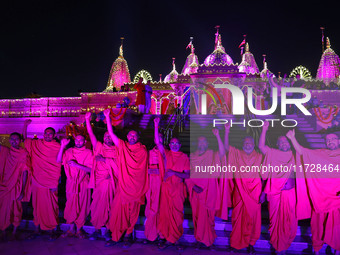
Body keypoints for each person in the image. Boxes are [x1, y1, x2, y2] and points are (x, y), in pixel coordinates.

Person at [286, 130, 340, 255]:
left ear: (339, 141)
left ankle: (336, 250)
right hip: (319, 196)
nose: (330, 141)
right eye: (327, 140)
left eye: (332, 139)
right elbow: (303, 152)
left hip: (337, 197)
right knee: (317, 226)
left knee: (336, 227)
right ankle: (317, 250)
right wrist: (292, 138)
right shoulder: (321, 153)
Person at [104, 109, 148, 248]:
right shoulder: (122, 146)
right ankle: (115, 234)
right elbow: (111, 134)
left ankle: (128, 235)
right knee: (117, 211)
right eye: (130, 135)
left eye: (135, 136)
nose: (132, 137)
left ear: (138, 138)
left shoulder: (142, 150)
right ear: (127, 137)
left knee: (132, 213)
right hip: (123, 186)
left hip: (136, 187)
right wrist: (107, 117)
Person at [259, 121, 298, 255]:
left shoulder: (295, 155)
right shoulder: (272, 153)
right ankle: (277, 246)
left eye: (286, 141)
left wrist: (293, 139)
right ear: (277, 144)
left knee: (291, 220)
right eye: (281, 142)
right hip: (275, 193)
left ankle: (285, 244)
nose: (284, 143)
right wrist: (264, 129)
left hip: (291, 194)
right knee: (275, 220)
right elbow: (261, 146)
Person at [224, 124, 263, 254]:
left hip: (255, 192)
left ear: (253, 144)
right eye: (245, 143)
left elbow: (264, 175)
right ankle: (235, 242)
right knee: (237, 218)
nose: (248, 144)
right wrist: (226, 131)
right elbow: (225, 148)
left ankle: (251, 243)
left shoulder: (259, 156)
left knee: (253, 219)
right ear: (242, 144)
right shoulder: (237, 153)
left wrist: (263, 193)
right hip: (240, 192)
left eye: (250, 142)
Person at [23, 120, 61, 241]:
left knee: (51, 206)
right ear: (43, 134)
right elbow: (25, 140)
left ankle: (52, 230)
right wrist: (25, 126)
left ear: (54, 135)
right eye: (46, 133)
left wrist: (56, 182)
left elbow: (58, 164)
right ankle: (37, 229)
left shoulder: (57, 146)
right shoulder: (37, 144)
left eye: (50, 134)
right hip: (37, 180)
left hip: (51, 181)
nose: (47, 135)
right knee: (37, 206)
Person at [186, 129, 224, 250]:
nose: (202, 144)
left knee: (209, 215)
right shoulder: (192, 156)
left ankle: (209, 239)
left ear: (207, 144)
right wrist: (192, 186)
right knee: (197, 216)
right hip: (196, 190)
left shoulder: (212, 153)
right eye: (200, 142)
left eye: (204, 142)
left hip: (210, 189)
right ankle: (199, 238)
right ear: (197, 144)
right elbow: (188, 174)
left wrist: (218, 136)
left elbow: (222, 153)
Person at [155, 128, 190, 250]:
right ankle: (164, 236)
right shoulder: (166, 154)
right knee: (165, 213)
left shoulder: (184, 157)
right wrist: (156, 126)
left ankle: (175, 238)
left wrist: (174, 173)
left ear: (180, 145)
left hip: (178, 190)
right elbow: (158, 143)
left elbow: (187, 175)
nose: (174, 145)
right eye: (172, 143)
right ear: (169, 145)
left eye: (176, 144)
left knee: (177, 214)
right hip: (166, 188)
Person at [85, 112, 118, 241]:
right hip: (99, 182)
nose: (108, 139)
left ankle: (109, 230)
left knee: (110, 206)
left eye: (110, 137)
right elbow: (91, 134)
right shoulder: (98, 146)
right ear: (103, 138)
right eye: (106, 137)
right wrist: (87, 119)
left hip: (111, 183)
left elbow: (119, 167)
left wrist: (105, 160)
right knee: (97, 205)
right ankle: (97, 230)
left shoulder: (117, 150)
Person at [56, 135, 93, 239]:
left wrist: (77, 165)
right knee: (70, 205)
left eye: (81, 140)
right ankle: (71, 229)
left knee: (83, 205)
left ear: (85, 141)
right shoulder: (69, 152)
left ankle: (79, 229)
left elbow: (91, 170)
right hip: (71, 183)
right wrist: (62, 146)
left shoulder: (88, 153)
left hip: (83, 183)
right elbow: (58, 161)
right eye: (77, 140)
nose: (78, 142)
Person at [0, 133, 30, 241]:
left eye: (16, 139)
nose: (14, 141)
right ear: (9, 140)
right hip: (5, 185)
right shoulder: (5, 151)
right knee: (3, 210)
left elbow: (25, 172)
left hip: (16, 186)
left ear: (20, 140)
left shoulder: (23, 153)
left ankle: (14, 232)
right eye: (12, 139)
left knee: (16, 210)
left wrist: (22, 190)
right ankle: (3, 231)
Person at [143, 117, 166, 243]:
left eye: (161, 139)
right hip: (150, 182)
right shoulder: (148, 152)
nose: (159, 140)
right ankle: (150, 231)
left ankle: (160, 233)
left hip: (160, 182)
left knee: (159, 207)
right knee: (150, 206)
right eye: (158, 138)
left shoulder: (164, 151)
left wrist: (156, 126)